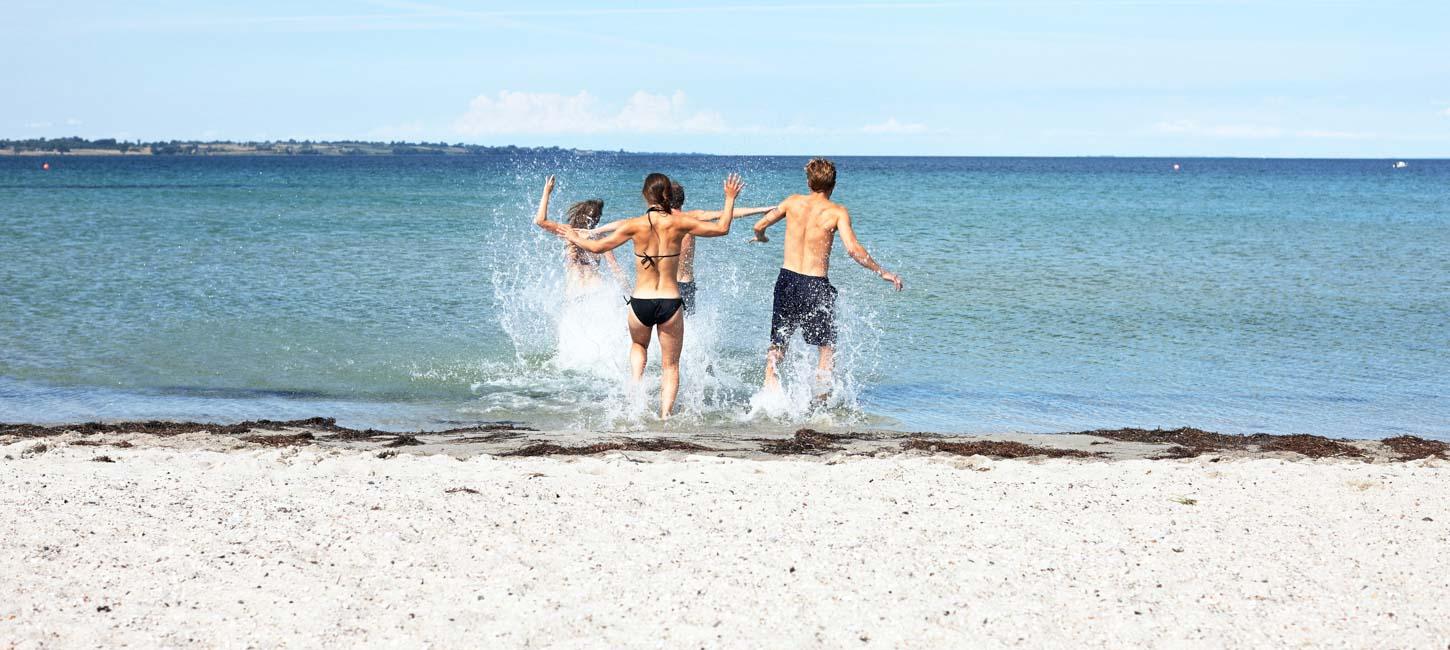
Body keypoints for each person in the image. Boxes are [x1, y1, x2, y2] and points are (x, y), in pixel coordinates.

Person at [543, 172, 746, 419]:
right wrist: (729, 197)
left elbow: (597, 247)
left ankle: (635, 396)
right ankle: (664, 416)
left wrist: (574, 235)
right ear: (668, 196)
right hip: (670, 302)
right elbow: (722, 227)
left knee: (639, 347)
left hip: (640, 303)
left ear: (645, 195)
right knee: (670, 366)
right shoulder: (680, 223)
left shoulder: (634, 225)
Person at [750, 158, 903, 395]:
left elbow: (759, 225)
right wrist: (881, 271)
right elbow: (853, 249)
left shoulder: (792, 202)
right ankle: (820, 402)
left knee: (779, 343)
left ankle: (769, 385)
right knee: (826, 347)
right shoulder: (837, 212)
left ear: (809, 183)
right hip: (814, 285)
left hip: (786, 280)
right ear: (833, 185)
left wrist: (761, 237)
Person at [589, 180, 774, 314]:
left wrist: (592, 231)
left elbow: (622, 223)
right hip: (684, 285)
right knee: (684, 333)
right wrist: (762, 209)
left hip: (661, 285)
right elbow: (728, 214)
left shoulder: (656, 220)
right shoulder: (690, 218)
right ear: (682, 201)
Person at [531, 179, 626, 297]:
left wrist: (546, 192)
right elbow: (614, 267)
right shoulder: (600, 237)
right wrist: (629, 292)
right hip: (597, 290)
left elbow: (540, 221)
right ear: (597, 218)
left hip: (574, 291)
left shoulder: (568, 232)